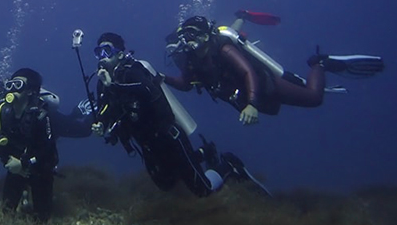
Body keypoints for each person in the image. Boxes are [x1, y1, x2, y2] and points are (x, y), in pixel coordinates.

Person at [89, 33, 268, 197]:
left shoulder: (133, 70)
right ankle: (205, 152)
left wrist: (114, 86)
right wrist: (102, 125)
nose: (102, 57)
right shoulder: (103, 84)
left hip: (169, 138)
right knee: (168, 183)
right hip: (146, 144)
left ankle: (228, 164)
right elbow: (106, 109)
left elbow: (148, 91)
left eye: (107, 51)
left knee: (203, 190)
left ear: (120, 54)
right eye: (99, 52)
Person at [164, 10, 385, 125]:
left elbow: (248, 72)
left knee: (314, 98)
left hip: (264, 85)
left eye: (193, 38)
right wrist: (161, 77)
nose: (188, 44)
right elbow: (185, 84)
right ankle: (242, 17)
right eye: (186, 39)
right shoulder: (192, 59)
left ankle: (319, 63)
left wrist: (251, 104)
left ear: (205, 36)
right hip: (247, 94)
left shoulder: (223, 49)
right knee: (234, 32)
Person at [0, 68, 91, 222]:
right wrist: (7, 161)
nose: (11, 90)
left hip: (40, 167)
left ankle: (84, 114)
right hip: (16, 165)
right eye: (9, 85)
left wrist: (25, 163)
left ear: (30, 91)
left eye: (17, 85)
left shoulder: (42, 114)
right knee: (6, 211)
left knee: (82, 130)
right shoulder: (1, 113)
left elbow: (48, 147)